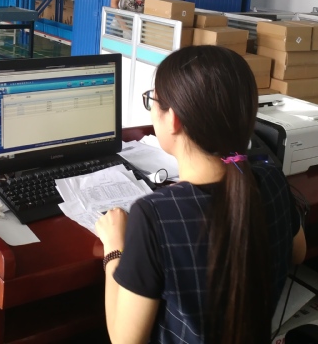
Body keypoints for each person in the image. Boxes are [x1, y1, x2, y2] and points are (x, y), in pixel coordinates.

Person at [95, 46, 306, 344]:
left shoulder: (155, 216)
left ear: (174, 119)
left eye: (153, 100)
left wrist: (114, 249)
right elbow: (299, 253)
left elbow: (124, 340)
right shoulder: (272, 180)